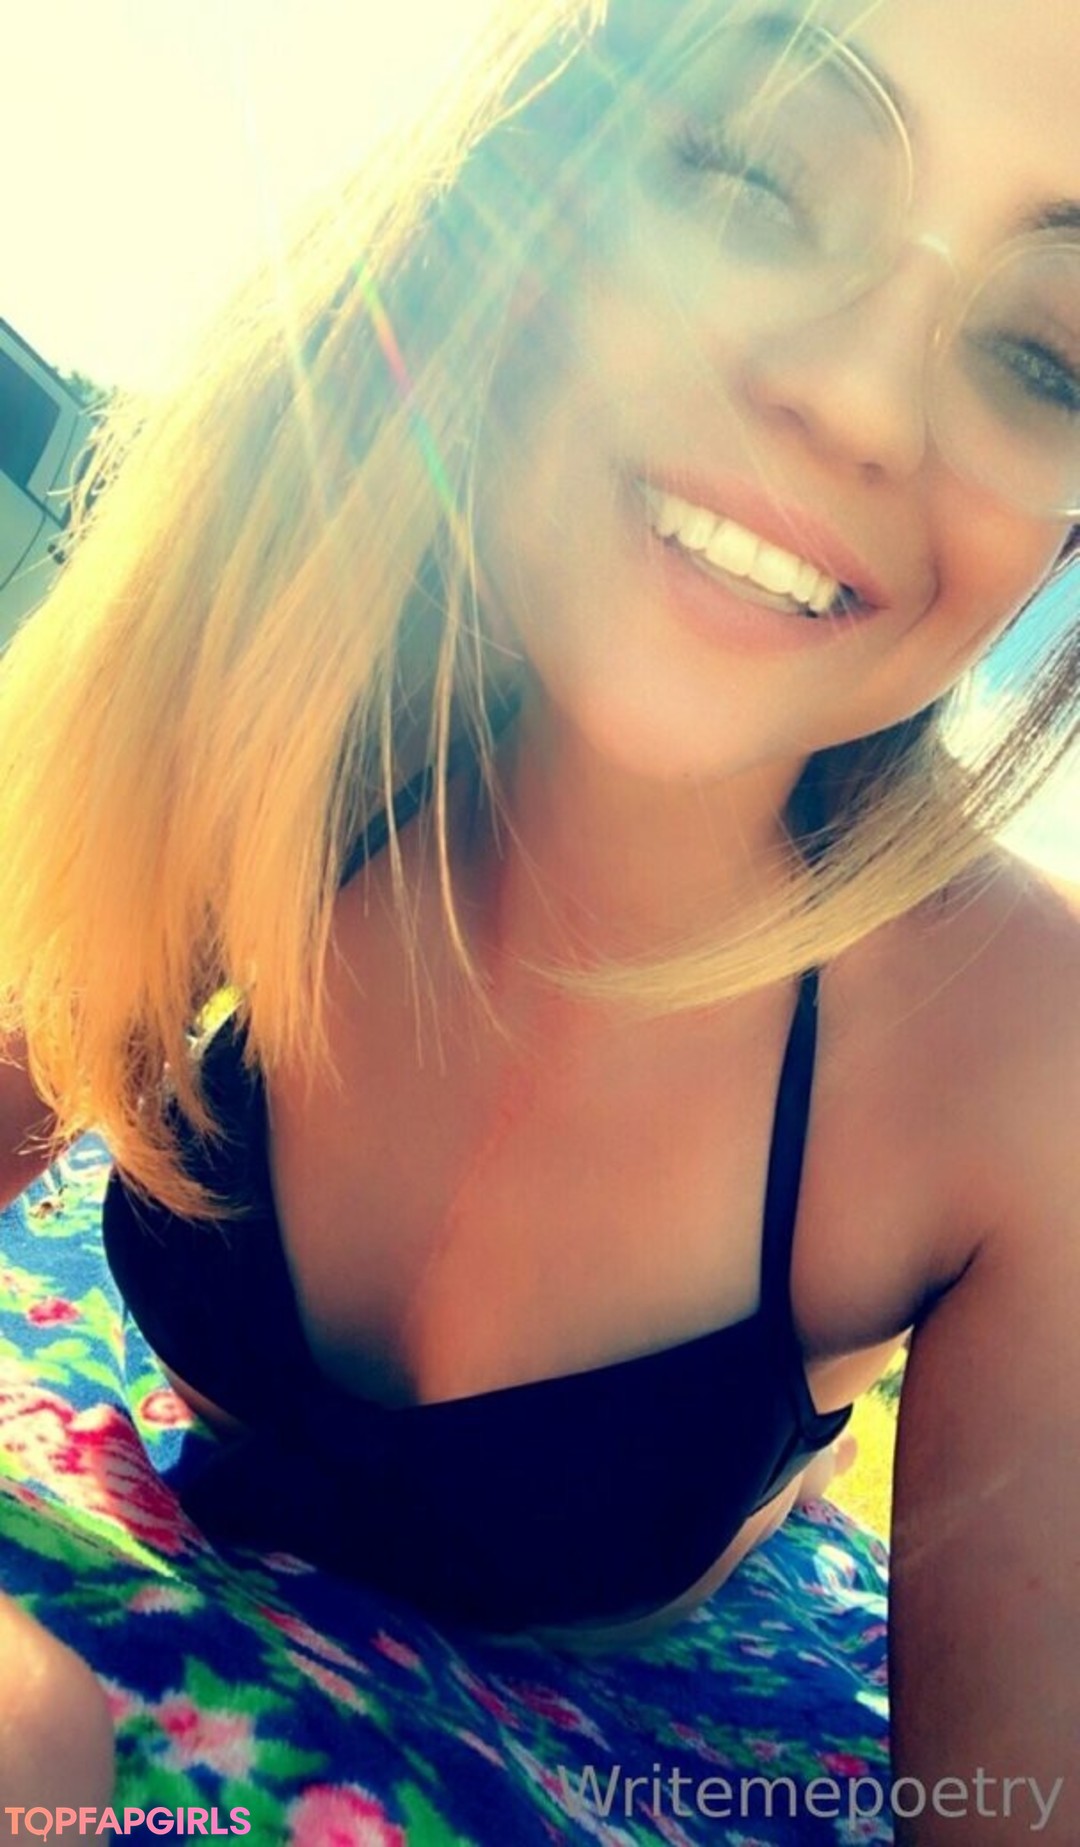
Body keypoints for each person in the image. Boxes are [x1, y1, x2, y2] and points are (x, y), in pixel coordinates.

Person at [0, 0, 1078, 1836]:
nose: (860, 401)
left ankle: (788, 1487)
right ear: (529, 182)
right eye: (753, 179)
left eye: (1050, 357)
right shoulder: (282, 707)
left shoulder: (1024, 1055)